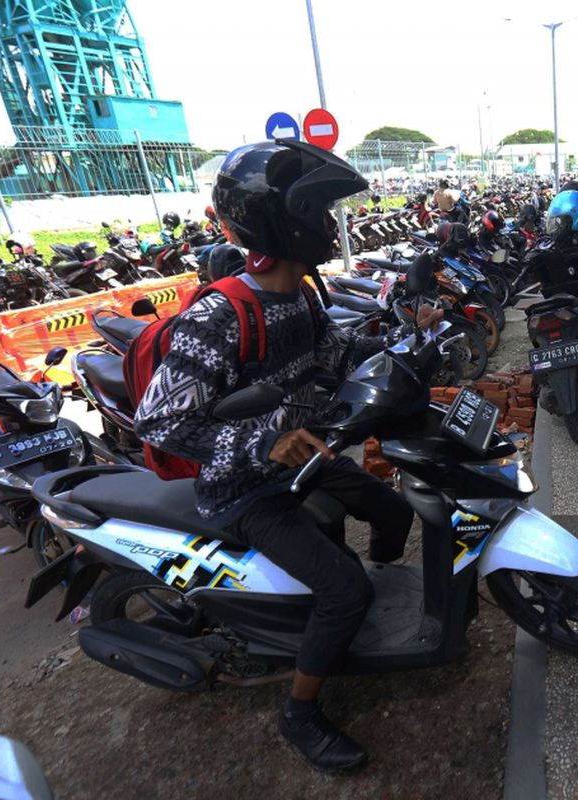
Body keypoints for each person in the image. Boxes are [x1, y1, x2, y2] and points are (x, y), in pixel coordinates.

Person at [135, 140, 444, 771]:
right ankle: (300, 714)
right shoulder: (219, 316)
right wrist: (263, 442)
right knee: (342, 591)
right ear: (284, 221)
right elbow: (161, 421)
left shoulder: (304, 293)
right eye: (320, 214)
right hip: (245, 488)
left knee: (393, 513)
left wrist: (408, 335)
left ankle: (380, 605)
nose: (333, 227)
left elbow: (331, 354)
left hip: (305, 456)